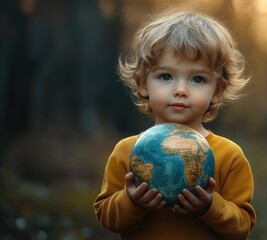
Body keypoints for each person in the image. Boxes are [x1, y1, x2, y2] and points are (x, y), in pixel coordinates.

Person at [94, 7, 256, 240]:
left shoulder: (230, 156)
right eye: (166, 76)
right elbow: (106, 217)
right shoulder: (127, 152)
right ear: (142, 83)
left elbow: (242, 227)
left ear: (218, 91)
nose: (180, 90)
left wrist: (209, 208)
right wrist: (132, 202)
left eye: (198, 79)